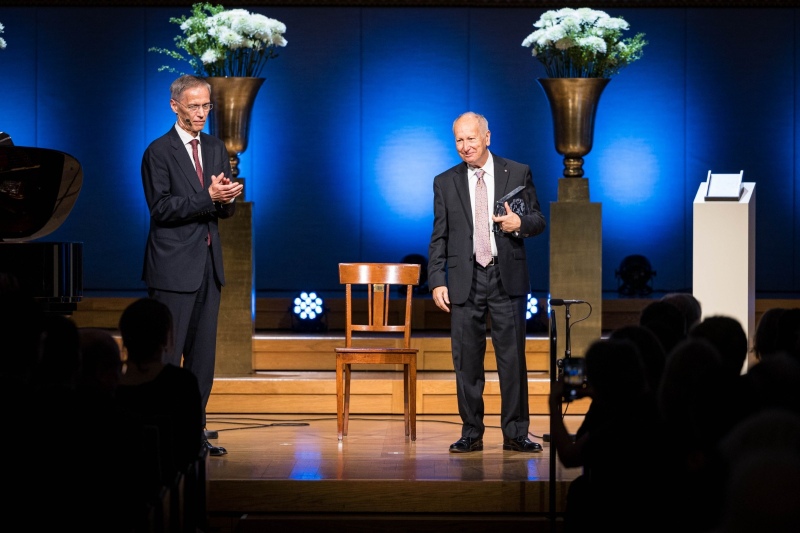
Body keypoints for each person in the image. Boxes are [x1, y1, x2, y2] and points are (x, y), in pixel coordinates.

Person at [428, 111, 546, 453]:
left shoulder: (517, 173)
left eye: (471, 138)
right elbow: (439, 235)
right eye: (459, 140)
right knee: (466, 360)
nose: (465, 146)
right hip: (465, 279)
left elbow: (538, 220)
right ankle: (471, 432)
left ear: (487, 137)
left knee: (512, 359)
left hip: (505, 275)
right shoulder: (444, 181)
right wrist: (437, 278)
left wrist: (518, 224)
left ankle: (515, 432)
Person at [141, 74, 243, 456]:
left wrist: (228, 198)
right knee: (169, 357)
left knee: (202, 358)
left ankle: (194, 431)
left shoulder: (216, 147)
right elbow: (161, 208)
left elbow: (220, 208)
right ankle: (164, 434)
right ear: (175, 106)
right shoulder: (159, 151)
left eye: (207, 106)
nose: (202, 113)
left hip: (207, 266)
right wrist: (208, 197)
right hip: (172, 267)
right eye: (194, 106)